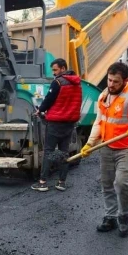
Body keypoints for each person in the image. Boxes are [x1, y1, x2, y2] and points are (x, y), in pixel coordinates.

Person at [80, 62, 128, 237]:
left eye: (116, 81)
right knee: (106, 184)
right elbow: (99, 122)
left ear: (125, 81)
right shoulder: (104, 96)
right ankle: (110, 216)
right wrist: (90, 144)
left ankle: (123, 216)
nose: (111, 84)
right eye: (109, 80)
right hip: (106, 146)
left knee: (122, 183)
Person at [31, 58, 82, 192]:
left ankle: (43, 183)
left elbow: (49, 99)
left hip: (55, 123)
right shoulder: (77, 83)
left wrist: (40, 110)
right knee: (64, 152)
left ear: (63, 68)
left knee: (49, 151)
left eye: (55, 70)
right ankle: (61, 182)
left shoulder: (58, 82)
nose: (54, 73)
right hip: (69, 122)